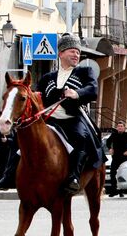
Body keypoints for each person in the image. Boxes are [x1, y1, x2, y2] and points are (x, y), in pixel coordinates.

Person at [38, 33, 106, 194]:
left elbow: (92, 89)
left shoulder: (84, 71)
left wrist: (77, 93)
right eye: (72, 51)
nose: (76, 55)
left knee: (81, 138)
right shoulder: (48, 77)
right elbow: (38, 96)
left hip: (72, 119)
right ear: (61, 53)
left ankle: (74, 177)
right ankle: (10, 173)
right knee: (25, 138)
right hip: (49, 120)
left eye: (78, 52)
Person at [106, 121, 127, 197]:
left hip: (124, 158)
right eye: (118, 126)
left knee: (121, 174)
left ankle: (121, 191)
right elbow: (108, 141)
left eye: (121, 126)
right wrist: (110, 148)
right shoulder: (114, 135)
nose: (120, 127)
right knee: (112, 174)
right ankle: (113, 190)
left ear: (124, 128)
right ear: (117, 128)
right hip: (115, 157)